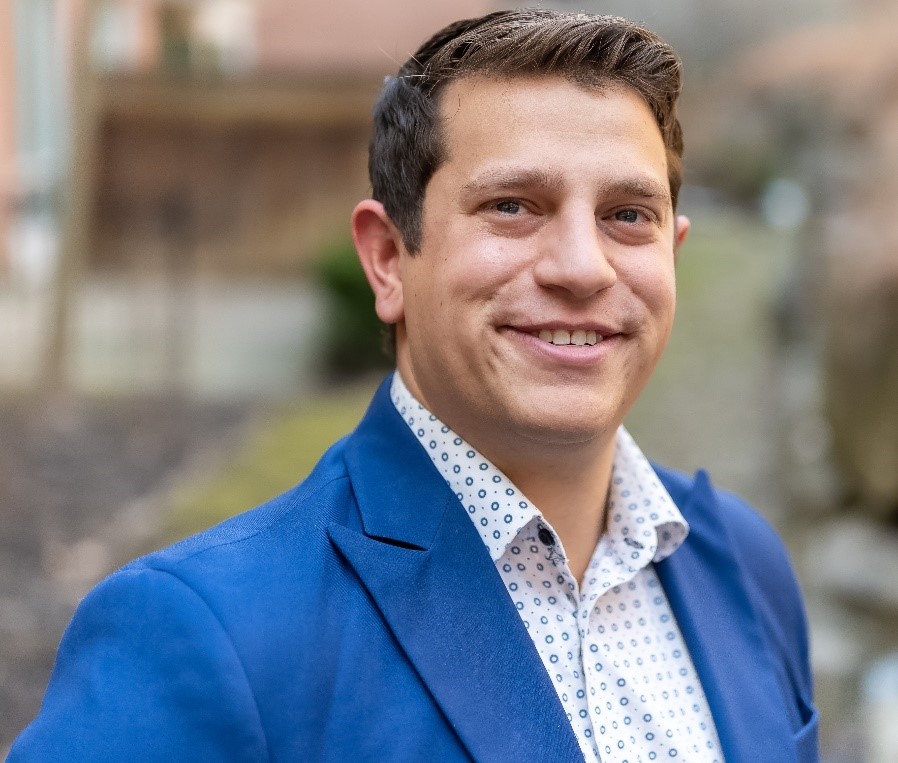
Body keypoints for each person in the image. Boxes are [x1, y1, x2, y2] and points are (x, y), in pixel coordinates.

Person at [10, 9, 818, 762]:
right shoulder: (205, 632)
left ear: (672, 252)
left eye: (627, 215)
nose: (583, 266)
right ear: (388, 259)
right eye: (513, 205)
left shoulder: (743, 566)